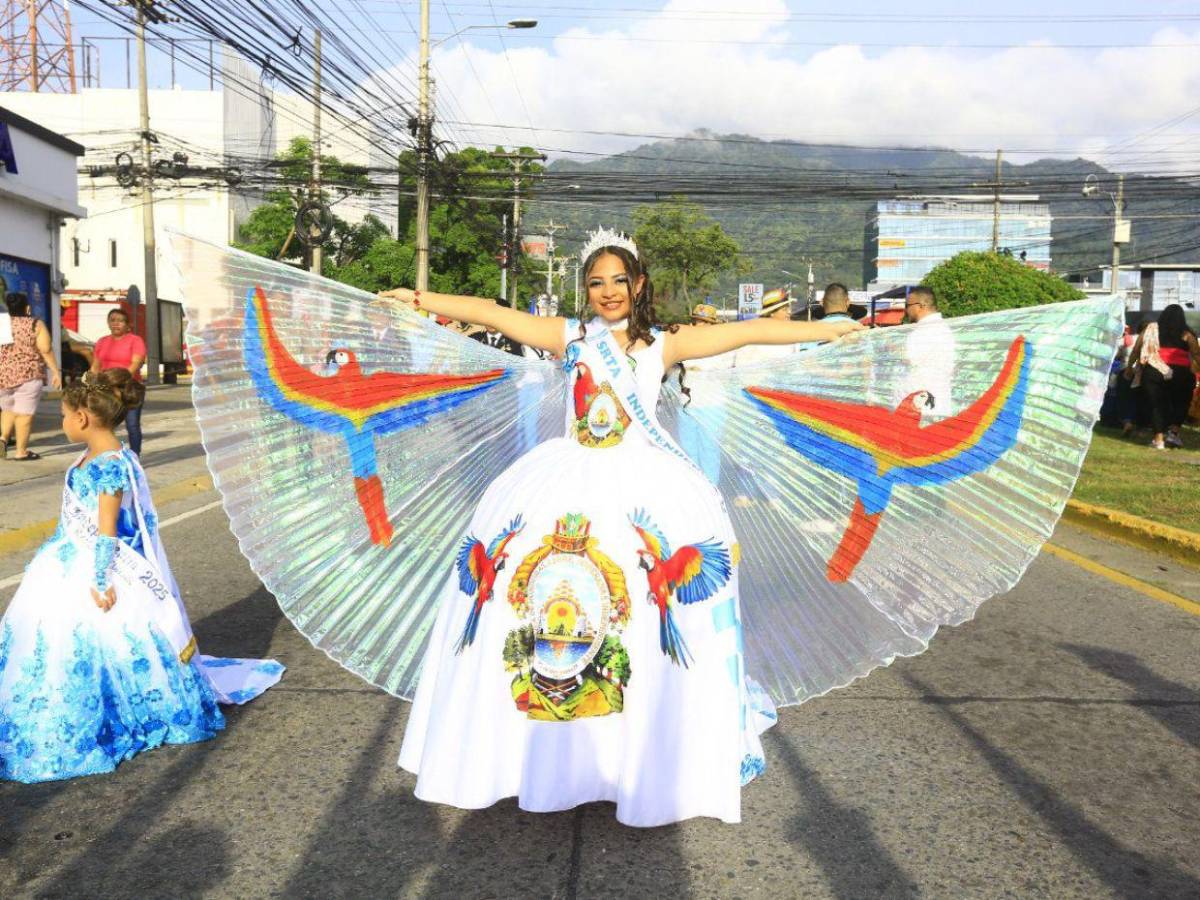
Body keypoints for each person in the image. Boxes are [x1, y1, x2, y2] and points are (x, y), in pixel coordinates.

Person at [385, 230, 859, 826]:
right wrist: (421, 298)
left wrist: (829, 329)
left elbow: (752, 331)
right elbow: (490, 313)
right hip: (565, 476)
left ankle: (637, 736)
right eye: (595, 282)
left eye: (618, 280)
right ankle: (537, 741)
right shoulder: (570, 337)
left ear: (637, 285)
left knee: (642, 602)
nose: (607, 292)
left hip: (643, 482)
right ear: (587, 290)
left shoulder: (664, 344)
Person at [0, 369, 284, 783]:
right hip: (65, 558)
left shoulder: (111, 466)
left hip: (95, 565)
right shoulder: (102, 456)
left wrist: (101, 582)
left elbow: (107, 531)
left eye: (62, 416)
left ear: (82, 418)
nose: (60, 423)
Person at [0, 291, 61, 461]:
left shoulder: (2, 324)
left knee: (7, 409)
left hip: (3, 376)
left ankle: (3, 439)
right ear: (27, 308)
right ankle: (21, 451)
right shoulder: (35, 324)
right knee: (24, 414)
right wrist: (55, 371)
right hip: (28, 375)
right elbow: (45, 349)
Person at [1130, 304, 1199, 449]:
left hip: (1154, 370)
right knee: (1181, 402)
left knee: (1156, 404)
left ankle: (1158, 439)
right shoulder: (1187, 334)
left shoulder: (1151, 329)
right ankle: (1173, 434)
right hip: (1181, 373)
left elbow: (1136, 349)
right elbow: (1196, 354)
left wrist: (1130, 367)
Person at [91, 308, 147, 455]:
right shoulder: (102, 342)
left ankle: (135, 456)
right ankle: (107, 454)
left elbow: (134, 365)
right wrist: (89, 384)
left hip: (131, 388)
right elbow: (95, 366)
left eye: (120, 321)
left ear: (128, 325)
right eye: (113, 320)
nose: (116, 324)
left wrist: (118, 382)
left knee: (132, 425)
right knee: (105, 425)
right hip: (107, 389)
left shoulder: (136, 340)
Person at [900, 285, 955, 418]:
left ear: (920, 305)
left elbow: (907, 358)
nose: (906, 310)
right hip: (936, 403)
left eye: (907, 305)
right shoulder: (943, 328)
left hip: (921, 406)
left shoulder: (924, 331)